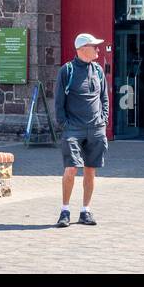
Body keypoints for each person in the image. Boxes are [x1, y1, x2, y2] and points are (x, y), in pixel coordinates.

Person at [55, 32, 109, 228]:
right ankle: (65, 210)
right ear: (83, 49)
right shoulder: (66, 71)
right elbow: (59, 102)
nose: (98, 49)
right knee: (71, 169)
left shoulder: (98, 70)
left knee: (90, 170)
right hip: (73, 129)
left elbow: (104, 98)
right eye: (94, 46)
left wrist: (103, 120)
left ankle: (86, 211)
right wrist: (64, 125)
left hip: (95, 129)